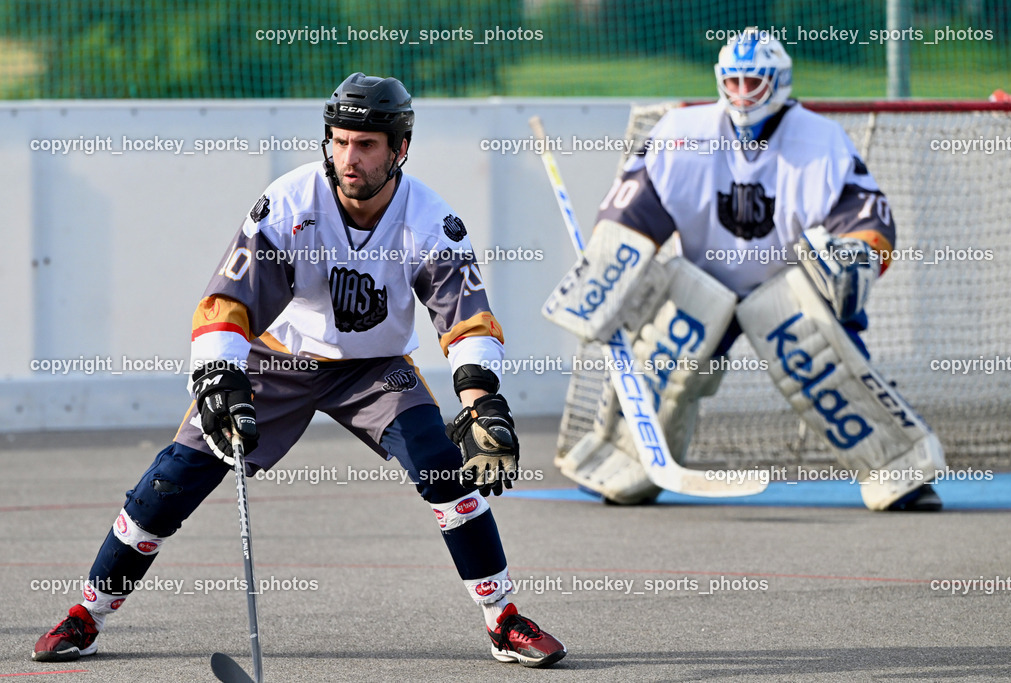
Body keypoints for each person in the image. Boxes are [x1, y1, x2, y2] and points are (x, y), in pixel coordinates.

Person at [32, 72, 566, 669]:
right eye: (339, 141)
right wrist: (218, 377)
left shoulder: (432, 222)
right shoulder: (288, 204)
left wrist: (480, 400)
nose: (348, 158)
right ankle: (87, 614)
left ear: (400, 149)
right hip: (277, 361)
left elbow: (466, 319)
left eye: (365, 145)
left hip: (375, 368)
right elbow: (227, 303)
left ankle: (504, 621)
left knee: (443, 469)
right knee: (170, 481)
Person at [544, 28, 945, 511]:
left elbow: (867, 218)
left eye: (752, 81)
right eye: (731, 81)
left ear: (779, 81)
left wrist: (855, 255)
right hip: (702, 276)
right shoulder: (681, 132)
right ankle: (624, 462)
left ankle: (900, 472)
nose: (740, 93)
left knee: (824, 364)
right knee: (663, 364)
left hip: (784, 284)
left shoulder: (820, 141)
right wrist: (608, 273)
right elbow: (632, 210)